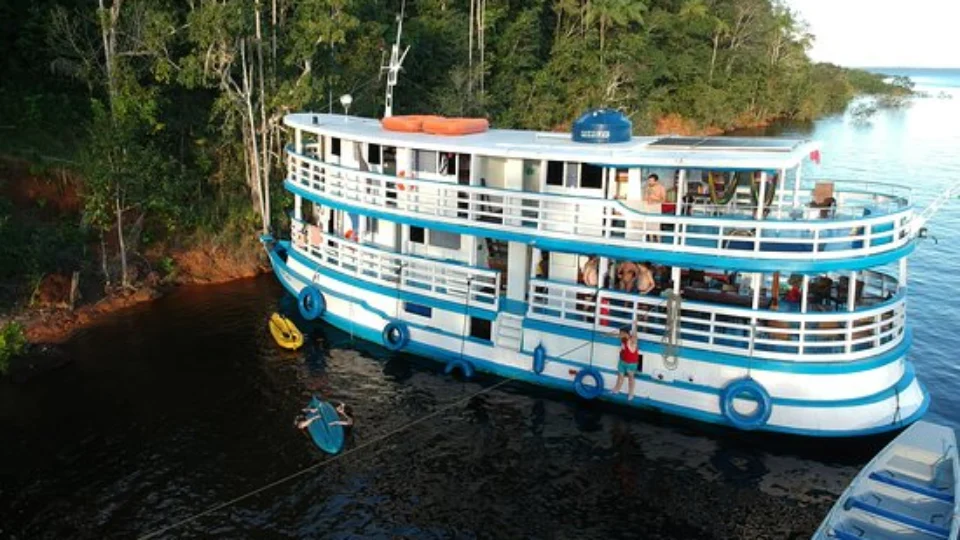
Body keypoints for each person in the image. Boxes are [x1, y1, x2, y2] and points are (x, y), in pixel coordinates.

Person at [609, 311, 642, 401]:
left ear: (626, 333)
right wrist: (607, 334)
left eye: (621, 333)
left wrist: (635, 325)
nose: (620, 334)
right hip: (622, 361)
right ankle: (616, 389)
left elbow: (635, 335)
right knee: (620, 376)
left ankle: (631, 393)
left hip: (631, 363)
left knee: (631, 378)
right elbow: (616, 335)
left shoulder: (632, 340)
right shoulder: (623, 338)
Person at [644, 174, 667, 242]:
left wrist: (654, 199)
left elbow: (664, 200)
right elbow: (645, 198)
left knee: (656, 227)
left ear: (656, 181)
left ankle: (659, 242)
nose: (650, 182)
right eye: (649, 181)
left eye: (651, 181)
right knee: (649, 226)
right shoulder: (647, 188)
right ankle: (651, 241)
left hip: (656, 208)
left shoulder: (661, 188)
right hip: (648, 208)